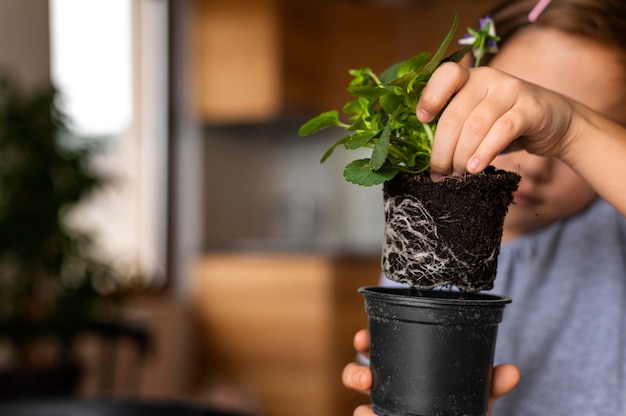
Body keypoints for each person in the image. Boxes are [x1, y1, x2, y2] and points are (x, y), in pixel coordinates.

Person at [342, 0, 626, 414]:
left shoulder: (612, 227)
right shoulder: (423, 236)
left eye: (554, 128)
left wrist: (571, 130)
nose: (533, 161)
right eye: (514, 115)